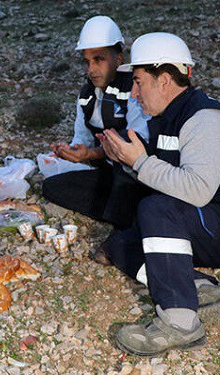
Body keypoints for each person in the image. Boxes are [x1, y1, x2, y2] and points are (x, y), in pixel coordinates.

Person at [96, 33, 220, 356]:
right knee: (120, 244)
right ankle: (197, 287)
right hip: (205, 220)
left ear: (164, 80)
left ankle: (180, 322)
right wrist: (125, 160)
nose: (134, 94)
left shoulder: (205, 117)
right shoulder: (165, 118)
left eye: (138, 82)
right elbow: (163, 178)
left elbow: (197, 189)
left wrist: (140, 162)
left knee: (155, 210)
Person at [41, 16, 150, 253]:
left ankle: (126, 224)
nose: (91, 70)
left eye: (98, 59)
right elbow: (81, 137)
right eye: (87, 61)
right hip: (108, 173)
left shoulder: (135, 89)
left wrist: (92, 153)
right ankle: (126, 213)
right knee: (51, 187)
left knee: (125, 171)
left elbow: (135, 142)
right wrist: (72, 152)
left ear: (119, 58)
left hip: (137, 174)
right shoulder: (86, 94)